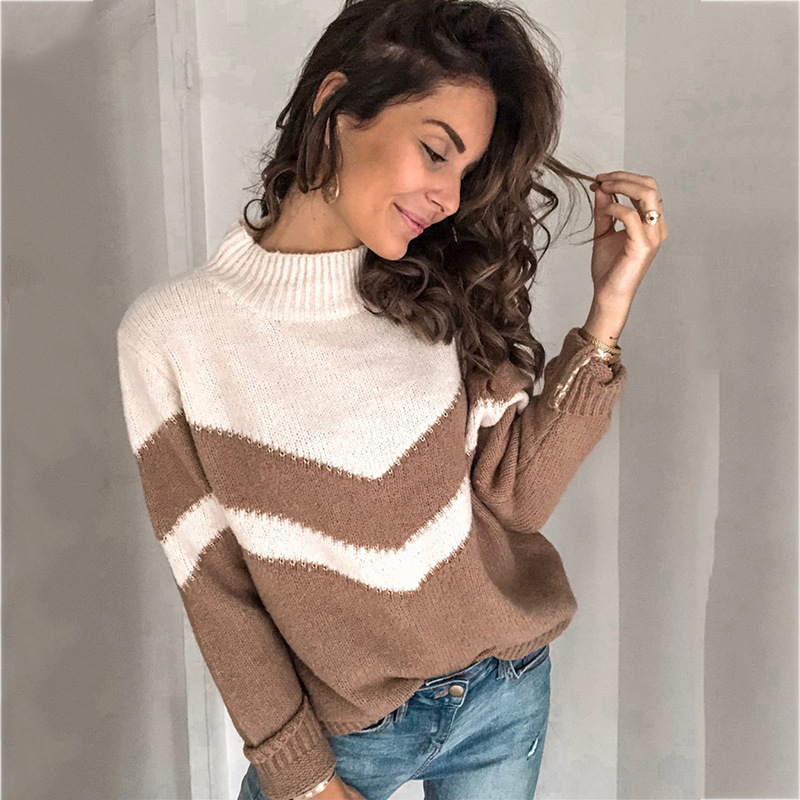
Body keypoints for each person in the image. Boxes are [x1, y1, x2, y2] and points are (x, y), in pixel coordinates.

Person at [116, 0, 667, 798]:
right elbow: (218, 588)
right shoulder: (172, 335)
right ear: (337, 105)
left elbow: (514, 499)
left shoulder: (437, 295)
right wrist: (302, 778)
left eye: (465, 173)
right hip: (345, 735)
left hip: (502, 695)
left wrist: (608, 312)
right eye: (435, 152)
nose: (449, 197)